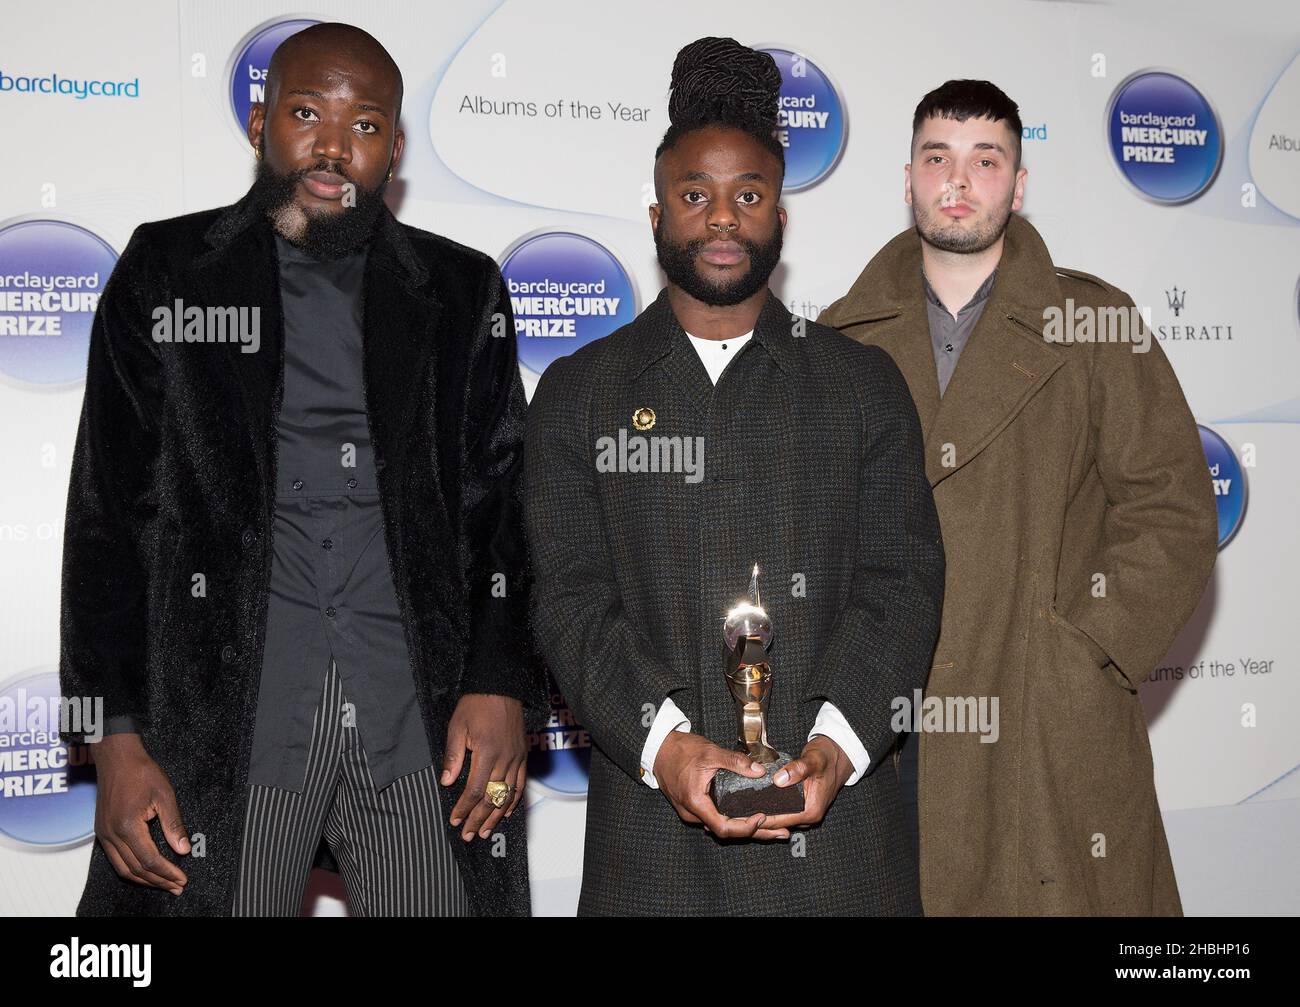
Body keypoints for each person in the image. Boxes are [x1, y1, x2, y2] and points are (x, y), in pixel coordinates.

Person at [58, 22, 546, 916]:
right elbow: (107, 518)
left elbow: (503, 503)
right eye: (307, 113)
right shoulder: (169, 273)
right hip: (227, 724)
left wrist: (502, 679)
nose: (332, 146)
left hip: (417, 720)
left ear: (394, 150)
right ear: (259, 125)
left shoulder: (460, 288)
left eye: (364, 125)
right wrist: (114, 735)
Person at [524, 37, 945, 915]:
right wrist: (669, 745)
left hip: (843, 853)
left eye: (748, 195)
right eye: (695, 196)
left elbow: (903, 586)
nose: (722, 218)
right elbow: (567, 596)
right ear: (656, 217)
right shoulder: (577, 394)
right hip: (650, 855)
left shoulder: (862, 386)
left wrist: (833, 745)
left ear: (782, 220)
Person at [820, 79, 1218, 915]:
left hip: (1046, 725)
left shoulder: (1097, 325)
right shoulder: (835, 340)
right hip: (885, 720)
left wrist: (1086, 649)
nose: (958, 181)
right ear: (908, 178)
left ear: (1018, 184)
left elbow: (1173, 508)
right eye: (938, 158)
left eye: (985, 160)